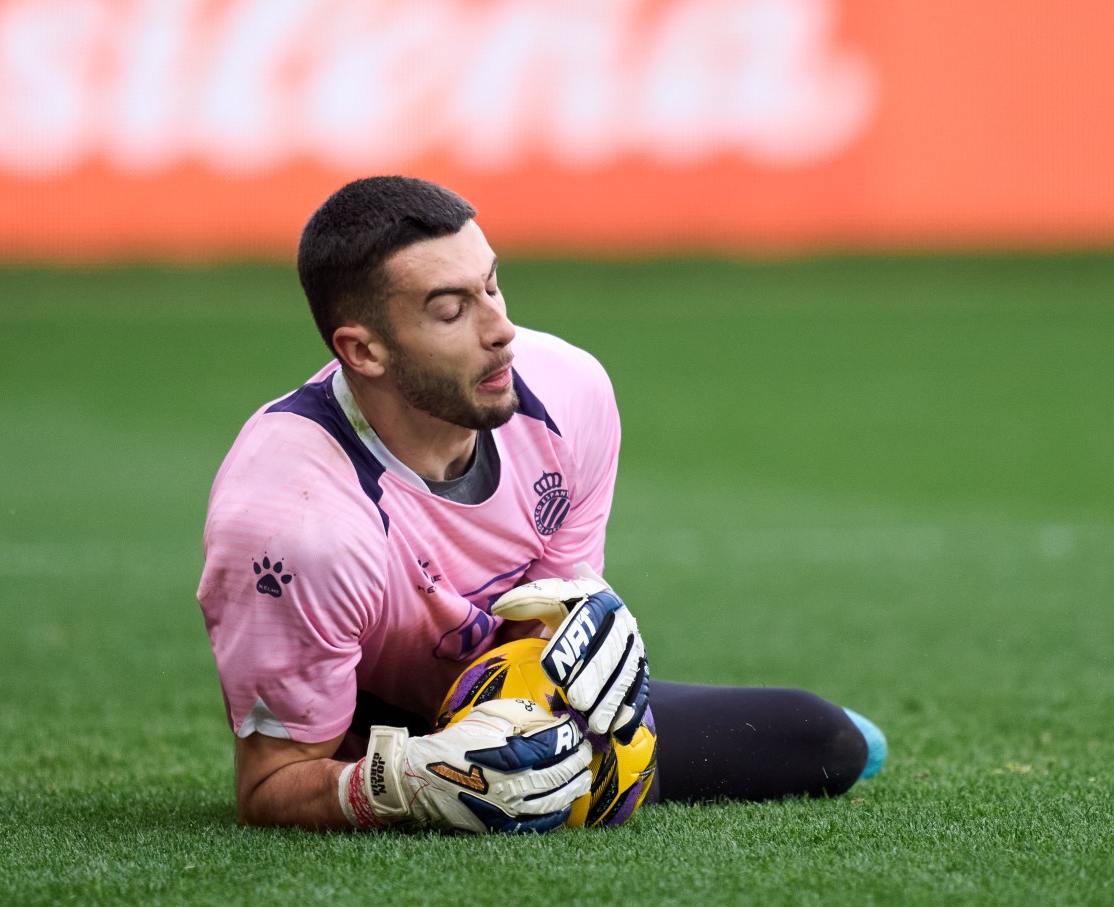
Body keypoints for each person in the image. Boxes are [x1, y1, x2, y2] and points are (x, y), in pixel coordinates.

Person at [196, 175, 886, 834]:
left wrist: (565, 672)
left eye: (492, 285)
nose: (500, 329)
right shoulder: (297, 523)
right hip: (376, 729)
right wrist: (412, 781)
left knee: (831, 739)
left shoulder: (570, 391)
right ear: (364, 349)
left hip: (511, 692)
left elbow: (550, 606)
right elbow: (271, 784)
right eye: (451, 309)